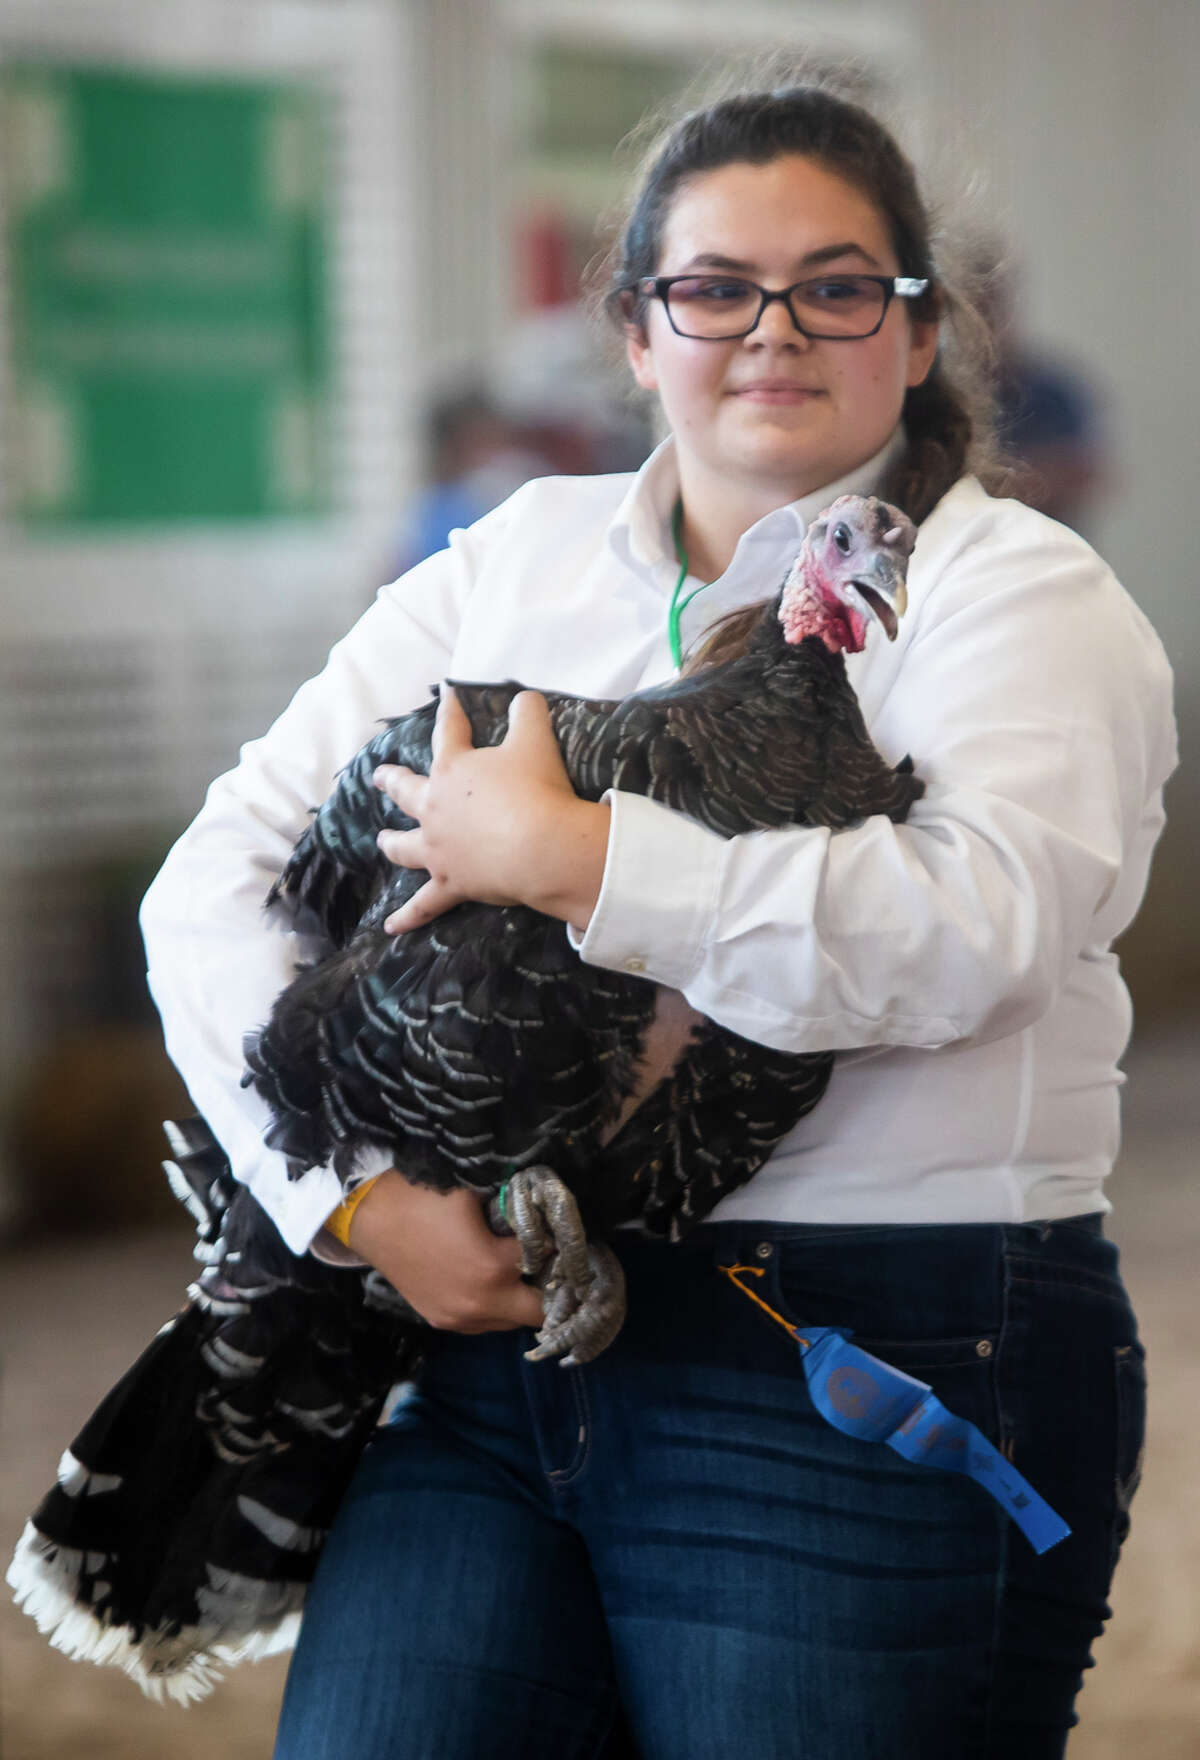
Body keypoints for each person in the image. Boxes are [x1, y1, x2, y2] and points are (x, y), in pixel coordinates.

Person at [138, 81, 1176, 1760]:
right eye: (713, 289)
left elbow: (972, 935)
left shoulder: (1023, 597)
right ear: (637, 329)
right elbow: (214, 880)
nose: (773, 333)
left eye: (839, 287)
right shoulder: (515, 561)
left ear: (918, 333)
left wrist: (580, 862)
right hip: (474, 1345)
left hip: (866, 1338)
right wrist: (352, 1203)